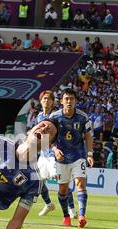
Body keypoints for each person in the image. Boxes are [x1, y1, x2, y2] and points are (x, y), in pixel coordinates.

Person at [50, 88, 94, 227]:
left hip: (78, 155)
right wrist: (55, 149)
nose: (69, 101)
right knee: (63, 190)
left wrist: (90, 154)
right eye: (66, 99)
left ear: (75, 101)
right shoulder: (54, 117)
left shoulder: (82, 117)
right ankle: (66, 216)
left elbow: (88, 135)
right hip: (61, 158)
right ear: (62, 101)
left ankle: (81, 215)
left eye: (71, 99)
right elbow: (47, 138)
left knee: (80, 183)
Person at [36, 90, 77, 218]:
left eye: (49, 99)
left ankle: (71, 209)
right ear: (41, 101)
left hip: (54, 155)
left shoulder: (57, 117)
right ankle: (48, 204)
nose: (46, 101)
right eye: (44, 99)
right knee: (38, 181)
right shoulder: (39, 116)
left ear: (53, 102)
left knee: (62, 183)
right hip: (43, 155)